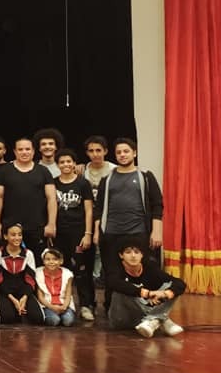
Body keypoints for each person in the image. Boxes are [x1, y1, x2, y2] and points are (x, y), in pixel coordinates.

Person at [94, 137, 164, 310]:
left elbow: (157, 204)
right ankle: (112, 309)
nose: (122, 155)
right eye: (119, 152)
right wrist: (96, 232)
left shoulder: (145, 176)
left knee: (143, 272)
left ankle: (146, 307)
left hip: (138, 232)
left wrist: (156, 231)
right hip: (111, 234)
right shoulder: (107, 179)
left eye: (126, 151)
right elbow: (99, 208)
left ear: (134, 153)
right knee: (112, 273)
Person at [0, 137, 57, 261]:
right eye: (20, 149)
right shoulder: (5, 171)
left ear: (33, 151)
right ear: (15, 152)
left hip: (37, 226)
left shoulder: (43, 171)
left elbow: (51, 198)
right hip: (10, 226)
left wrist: (51, 224)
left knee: (37, 261)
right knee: (10, 261)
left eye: (27, 149)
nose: (24, 152)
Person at [106, 241, 185, 338]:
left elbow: (179, 283)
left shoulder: (149, 267)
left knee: (170, 286)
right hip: (122, 319)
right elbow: (113, 283)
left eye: (136, 252)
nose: (133, 256)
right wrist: (145, 293)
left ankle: (153, 320)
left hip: (142, 317)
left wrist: (164, 293)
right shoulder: (115, 268)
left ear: (142, 255)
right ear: (121, 255)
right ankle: (161, 320)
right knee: (122, 289)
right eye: (128, 252)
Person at [54, 149, 96, 320]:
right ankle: (65, 303)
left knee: (81, 269)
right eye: (62, 162)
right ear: (57, 165)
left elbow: (89, 210)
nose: (65, 165)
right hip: (59, 234)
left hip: (79, 233)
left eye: (68, 161)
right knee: (61, 268)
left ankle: (86, 305)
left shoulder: (83, 183)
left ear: (74, 163)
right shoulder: (53, 183)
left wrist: (88, 233)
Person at [0, 222, 40, 324]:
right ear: (5, 236)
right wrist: (13, 300)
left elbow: (31, 279)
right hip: (5, 292)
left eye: (19, 235)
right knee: (7, 318)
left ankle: (20, 311)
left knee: (38, 318)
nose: (17, 238)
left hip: (23, 291)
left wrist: (24, 297)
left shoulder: (28, 254)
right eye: (13, 235)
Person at [82, 135, 115, 285]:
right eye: (91, 151)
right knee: (92, 248)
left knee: (106, 247)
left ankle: (106, 277)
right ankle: (94, 276)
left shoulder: (113, 169)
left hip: (109, 214)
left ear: (105, 151)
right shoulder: (83, 170)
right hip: (88, 214)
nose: (95, 154)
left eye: (98, 150)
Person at [34, 248, 76, 327]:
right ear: (43, 261)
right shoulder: (38, 273)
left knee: (68, 321)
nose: (51, 262)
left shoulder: (67, 274)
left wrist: (64, 307)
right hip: (47, 305)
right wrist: (53, 307)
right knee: (54, 321)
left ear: (61, 261)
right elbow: (40, 297)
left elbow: (68, 294)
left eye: (55, 259)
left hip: (63, 304)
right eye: (48, 259)